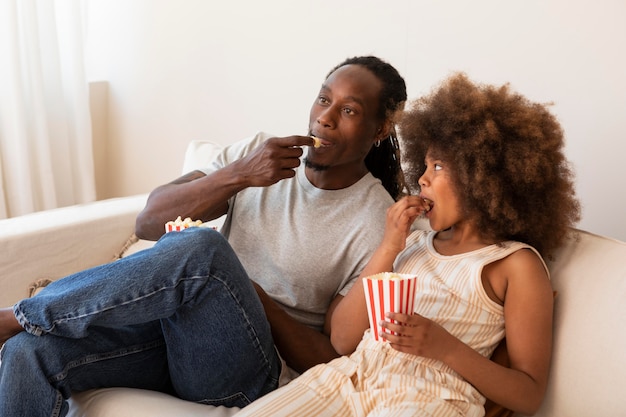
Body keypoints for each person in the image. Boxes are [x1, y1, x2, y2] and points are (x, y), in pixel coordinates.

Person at [0, 55, 408, 417]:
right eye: (324, 99)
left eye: (349, 110)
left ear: (380, 129)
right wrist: (240, 174)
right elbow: (148, 222)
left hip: (247, 369)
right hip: (172, 337)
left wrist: (254, 297)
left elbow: (332, 355)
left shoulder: (373, 220)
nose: (326, 117)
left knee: (203, 250)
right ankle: (22, 328)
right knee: (28, 354)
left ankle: (19, 315)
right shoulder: (257, 154)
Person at [233, 73, 581, 417]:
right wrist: (388, 246)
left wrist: (445, 348)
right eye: (426, 164)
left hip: (428, 398)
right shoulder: (411, 244)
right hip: (346, 380)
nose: (422, 178)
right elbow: (340, 340)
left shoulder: (514, 265)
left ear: (485, 177)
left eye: (439, 166)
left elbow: (528, 394)